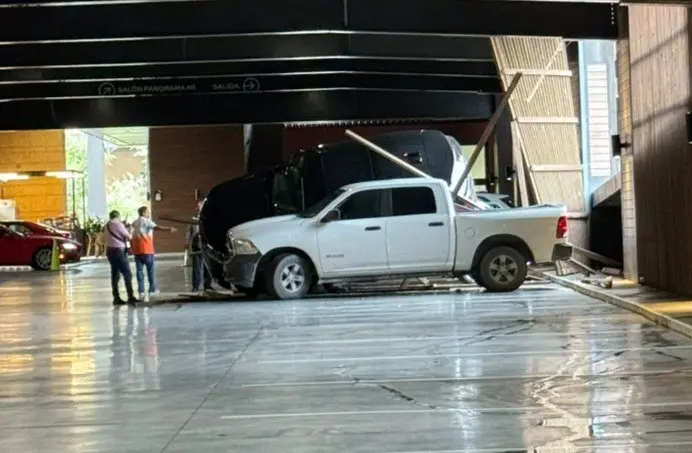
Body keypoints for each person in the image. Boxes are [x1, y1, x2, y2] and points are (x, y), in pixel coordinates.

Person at [130, 206, 177, 300]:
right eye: (147, 212)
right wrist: (169, 229)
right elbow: (157, 227)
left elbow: (131, 234)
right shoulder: (146, 221)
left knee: (139, 271)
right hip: (147, 249)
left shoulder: (135, 222)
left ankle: (141, 291)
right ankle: (152, 289)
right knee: (150, 270)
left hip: (137, 250)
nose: (149, 213)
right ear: (143, 213)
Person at [105, 210, 137, 305]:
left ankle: (116, 297)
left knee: (115, 275)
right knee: (127, 274)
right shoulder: (118, 224)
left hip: (110, 251)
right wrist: (130, 230)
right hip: (119, 251)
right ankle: (130, 296)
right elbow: (129, 237)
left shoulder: (106, 225)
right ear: (118, 216)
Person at [186, 200, 213, 293]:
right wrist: (187, 243)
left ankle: (208, 285)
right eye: (196, 206)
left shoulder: (208, 218)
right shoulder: (193, 219)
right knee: (196, 267)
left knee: (208, 267)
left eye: (198, 206)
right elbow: (188, 232)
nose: (197, 208)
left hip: (207, 246)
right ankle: (195, 286)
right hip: (196, 246)